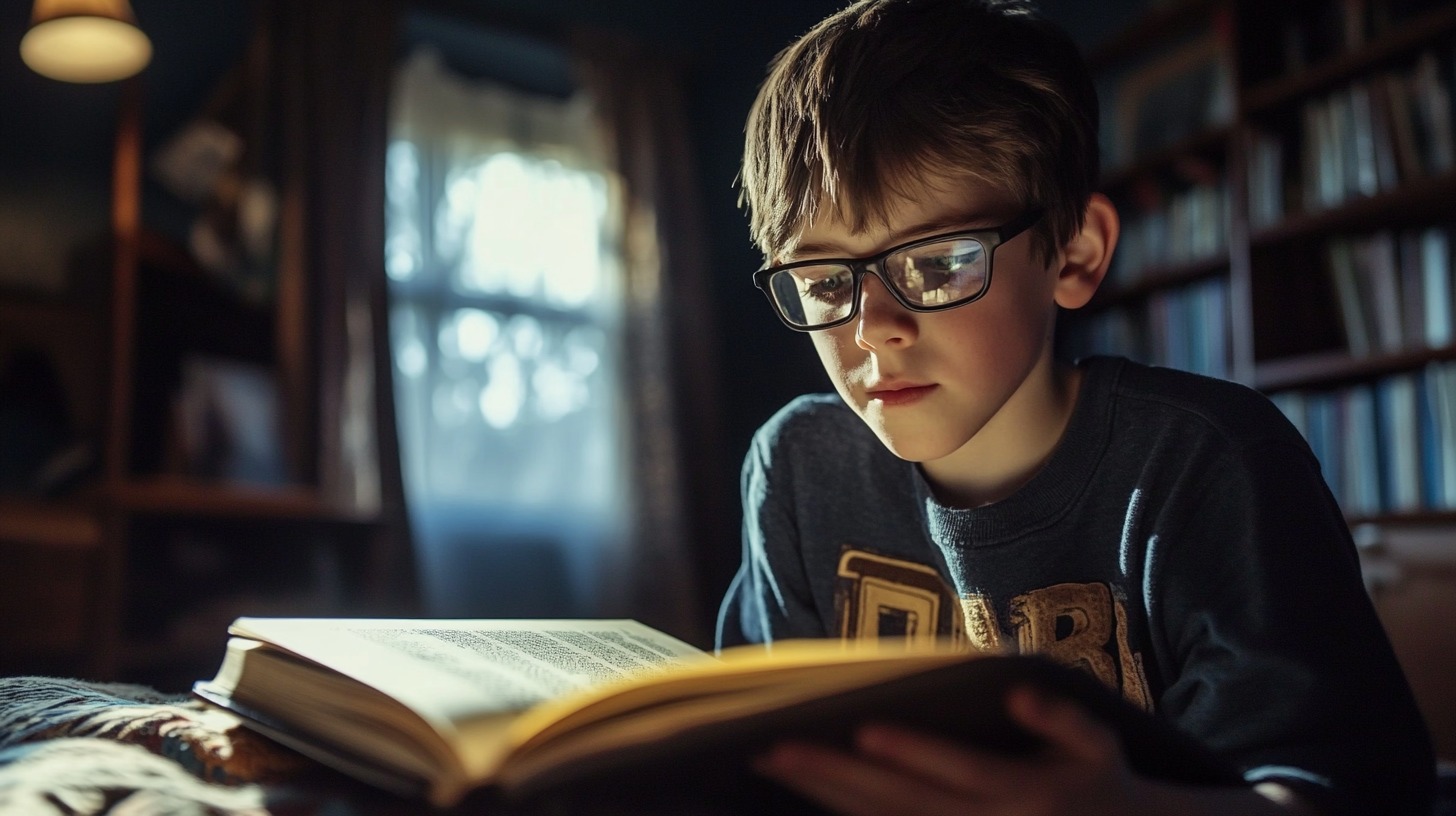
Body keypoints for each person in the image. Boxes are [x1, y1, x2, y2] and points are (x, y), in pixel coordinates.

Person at [714, 1, 1436, 814]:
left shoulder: (1206, 464)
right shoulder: (797, 470)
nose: (875, 329)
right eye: (823, 282)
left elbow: (1360, 794)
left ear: (1075, 252)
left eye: (939, 263)